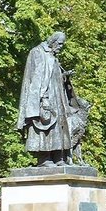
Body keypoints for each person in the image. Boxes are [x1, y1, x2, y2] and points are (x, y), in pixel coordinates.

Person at [16, 31, 90, 166]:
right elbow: (35, 79)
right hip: (45, 99)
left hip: (58, 99)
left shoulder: (53, 56)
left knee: (60, 127)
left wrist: (65, 76)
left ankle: (59, 157)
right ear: (53, 41)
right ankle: (44, 159)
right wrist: (42, 98)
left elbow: (54, 77)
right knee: (45, 127)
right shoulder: (37, 53)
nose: (61, 47)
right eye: (60, 44)